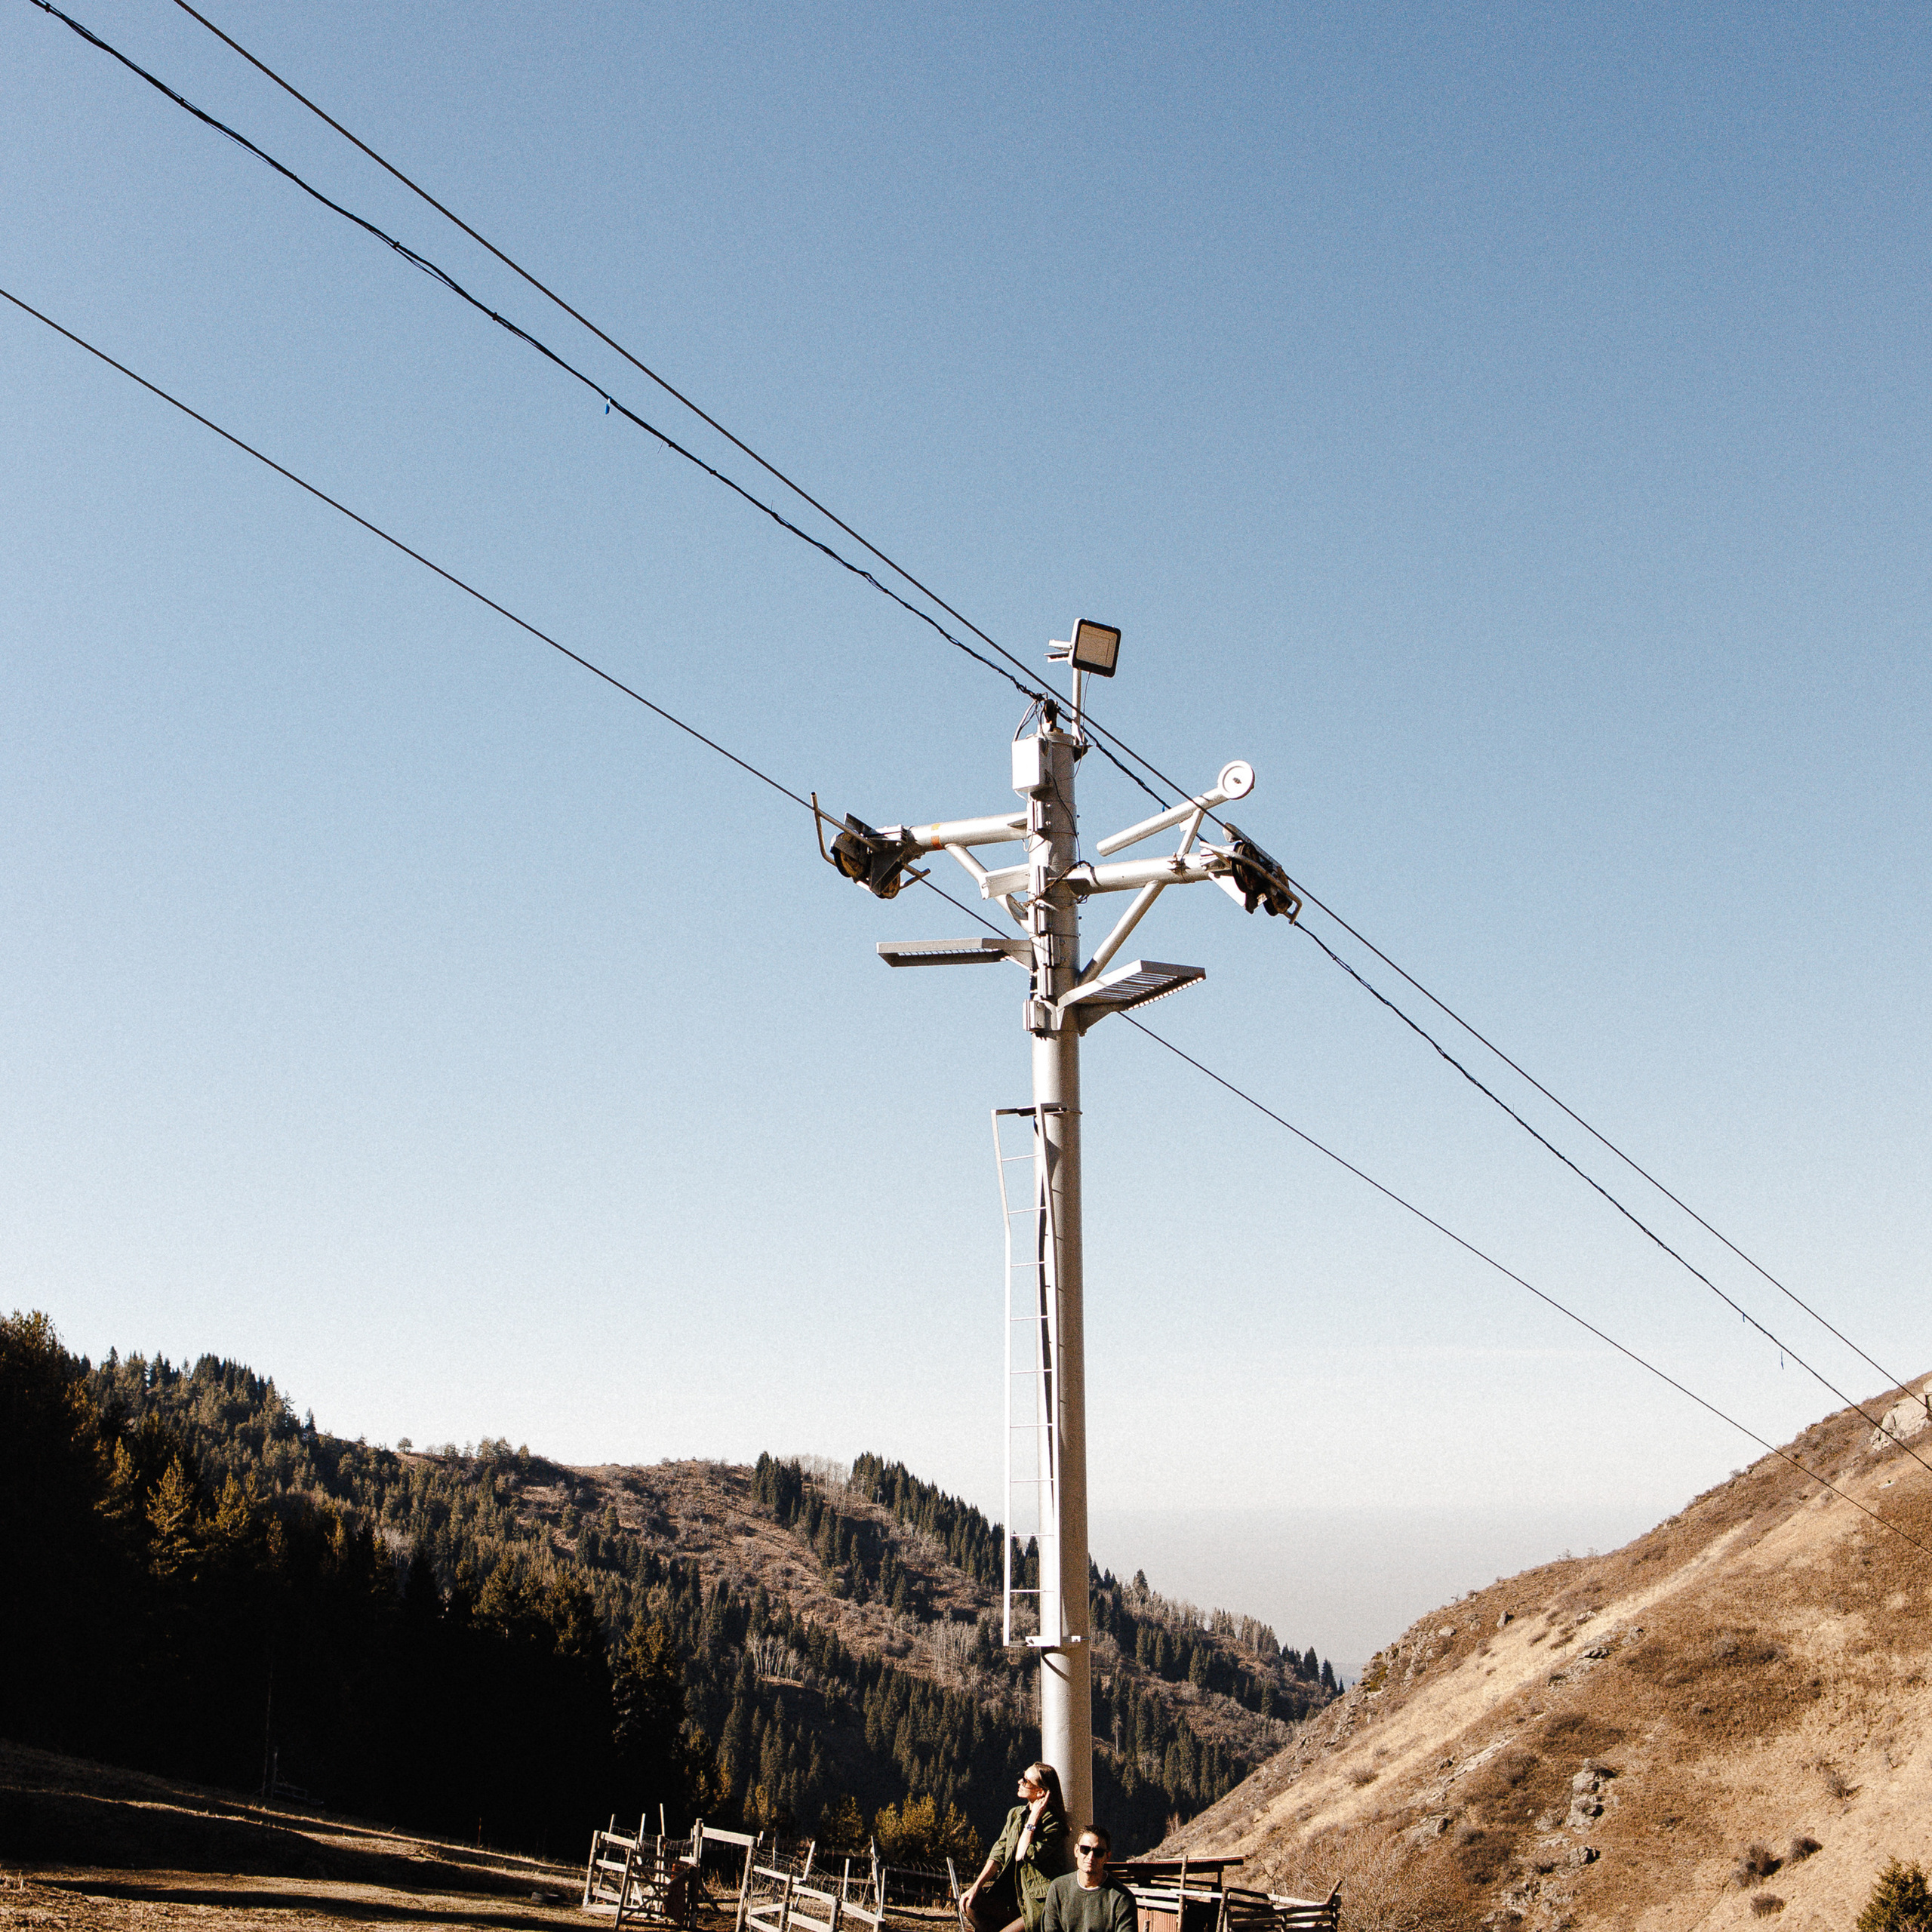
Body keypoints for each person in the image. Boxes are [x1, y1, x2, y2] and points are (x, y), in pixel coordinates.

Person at [961, 1763, 1073, 1932]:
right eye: (1022, 1776)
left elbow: (1023, 1854)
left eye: (1026, 1781)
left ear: (1040, 1792)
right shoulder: (1015, 1814)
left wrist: (1033, 1819)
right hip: (1011, 1900)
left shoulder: (1053, 1825)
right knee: (969, 1904)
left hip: (1035, 1904)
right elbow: (998, 1853)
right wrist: (976, 1886)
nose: (1020, 1782)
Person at [1041, 1825, 1136, 1932]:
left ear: (1107, 1857)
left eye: (1098, 1852)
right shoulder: (1058, 1889)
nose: (1091, 1857)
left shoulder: (1121, 1898)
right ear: (1076, 1850)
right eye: (1085, 1849)